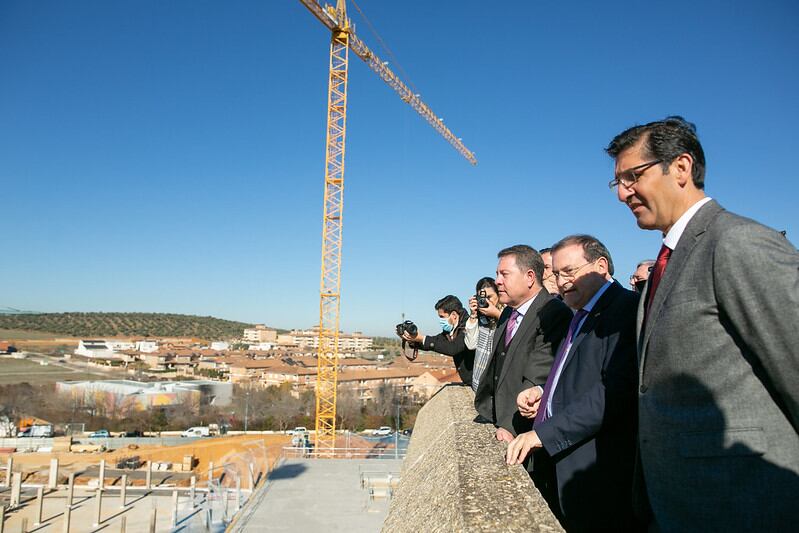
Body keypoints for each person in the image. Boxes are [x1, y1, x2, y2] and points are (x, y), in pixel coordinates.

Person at [606, 116, 799, 531]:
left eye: (632, 176)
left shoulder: (737, 243)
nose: (623, 193)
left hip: (747, 506)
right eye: (617, 183)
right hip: (675, 504)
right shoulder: (667, 262)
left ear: (680, 168)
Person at [506, 235, 641, 532]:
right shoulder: (579, 312)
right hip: (564, 461)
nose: (562, 281)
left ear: (601, 266)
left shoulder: (626, 310)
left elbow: (613, 393)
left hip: (596, 470)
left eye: (569, 271)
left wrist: (542, 435)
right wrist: (543, 392)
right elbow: (576, 374)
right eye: (556, 274)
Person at [474, 245, 571, 444]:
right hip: (498, 421)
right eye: (497, 274)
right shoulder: (508, 312)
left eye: (504, 274)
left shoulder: (553, 313)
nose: (497, 281)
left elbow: (538, 374)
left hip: (524, 432)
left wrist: (511, 427)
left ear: (529, 277)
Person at [400, 295, 476, 385]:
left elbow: (453, 348)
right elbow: (435, 341)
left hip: (480, 384)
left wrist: (421, 338)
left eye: (442, 316)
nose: (440, 320)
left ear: (454, 315)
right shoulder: (450, 330)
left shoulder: (469, 326)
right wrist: (412, 340)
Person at [464, 277, 504, 392]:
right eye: (482, 298)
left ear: (499, 295)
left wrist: (496, 314)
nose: (486, 301)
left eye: (489, 297)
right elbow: (471, 345)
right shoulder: (479, 317)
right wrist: (473, 315)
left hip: (497, 385)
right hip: (479, 384)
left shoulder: (507, 313)